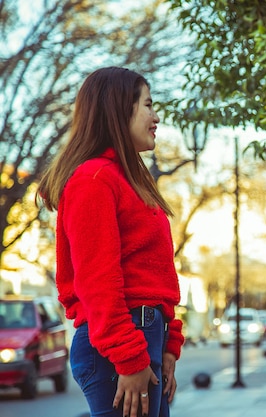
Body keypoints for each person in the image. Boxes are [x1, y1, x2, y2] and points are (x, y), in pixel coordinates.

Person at [38, 67, 184, 417]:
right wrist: (130, 357)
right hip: (119, 346)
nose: (156, 116)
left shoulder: (126, 180)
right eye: (148, 105)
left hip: (142, 335)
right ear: (120, 109)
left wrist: (168, 344)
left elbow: (155, 274)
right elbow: (97, 281)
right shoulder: (93, 179)